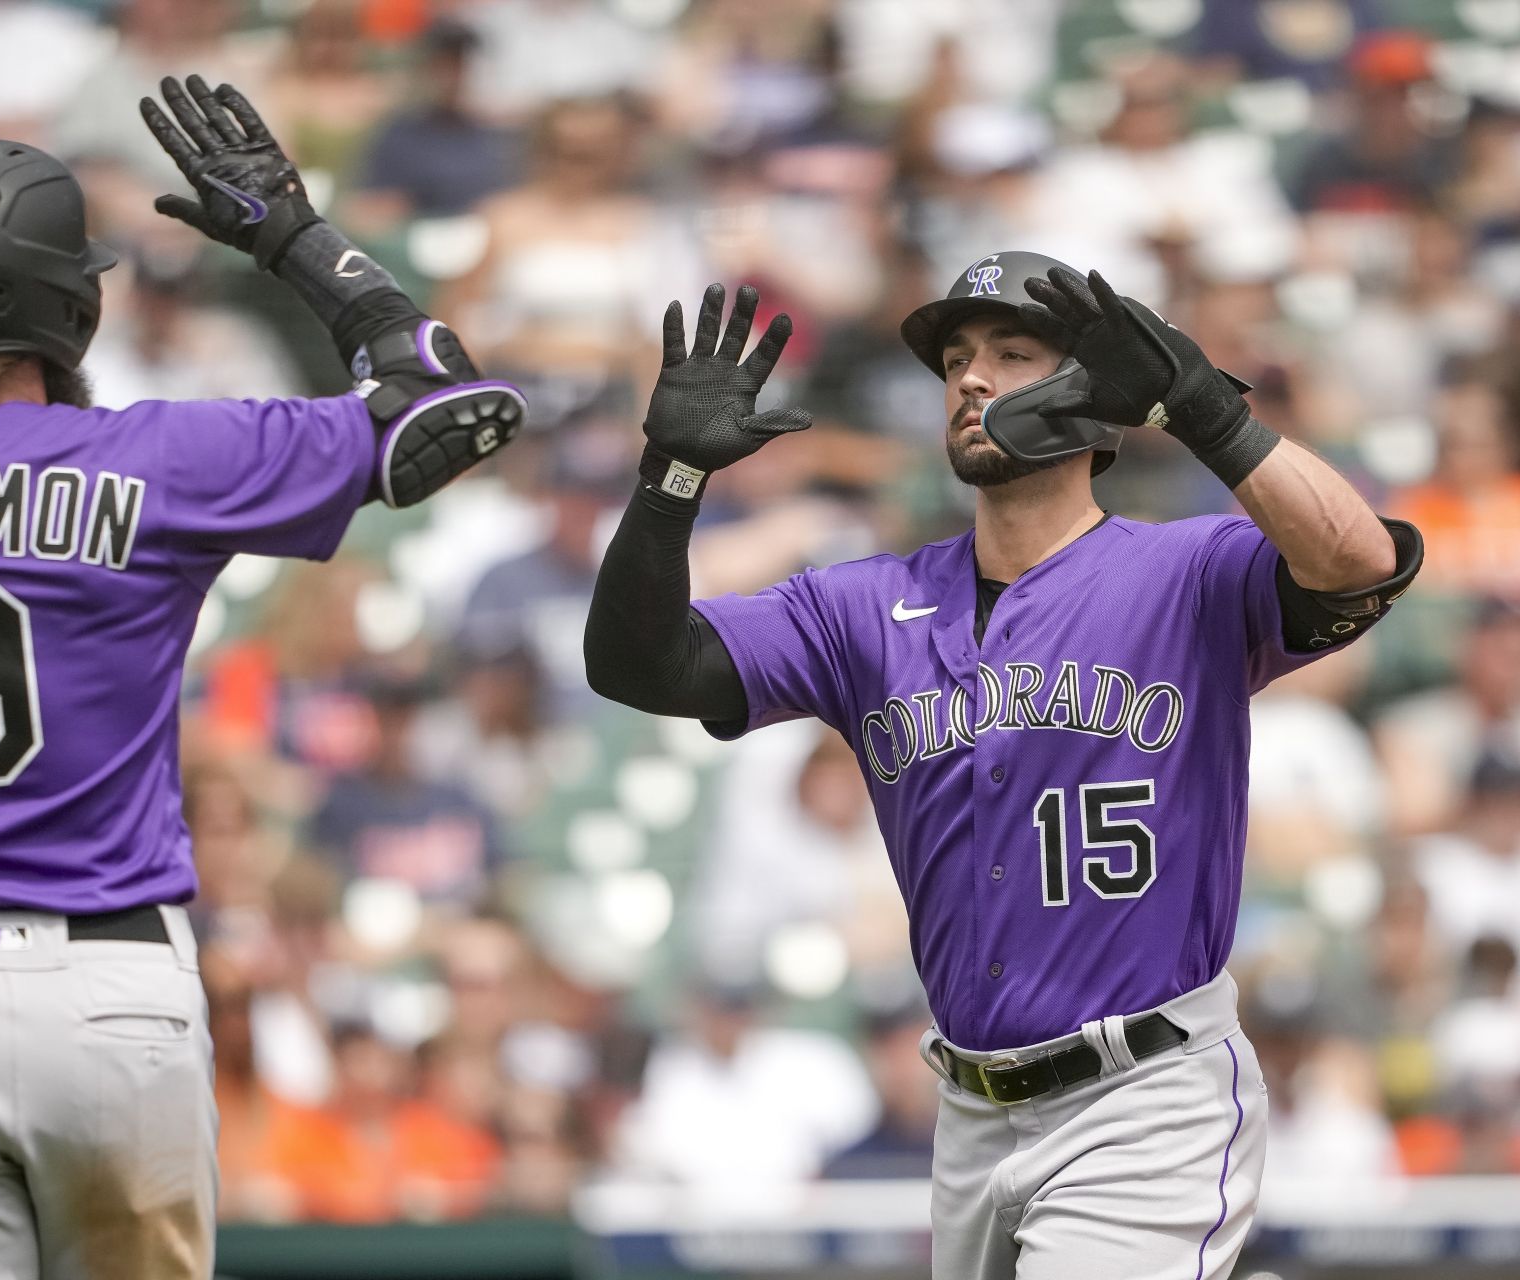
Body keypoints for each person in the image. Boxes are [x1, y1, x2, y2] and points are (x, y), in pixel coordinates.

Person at [0, 83, 524, 1280]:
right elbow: (445, 406)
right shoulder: (159, 456)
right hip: (116, 994)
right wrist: (292, 233)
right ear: (64, 303)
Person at [583, 251, 1423, 1279]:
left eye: (1013, 354)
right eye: (957, 359)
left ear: (1093, 396)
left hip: (1145, 1093)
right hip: (972, 1108)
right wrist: (670, 483)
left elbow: (1359, 562)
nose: (971, 378)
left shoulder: (1189, 573)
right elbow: (638, 663)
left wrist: (1199, 402)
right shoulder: (860, 605)